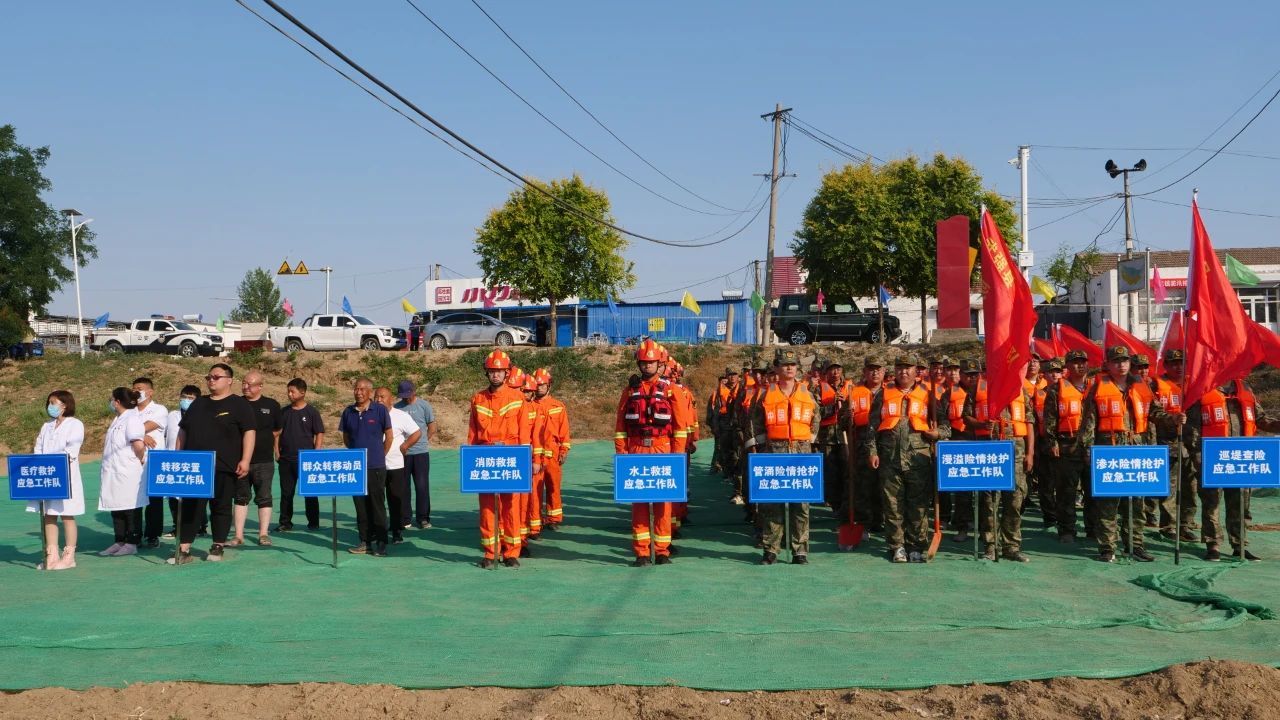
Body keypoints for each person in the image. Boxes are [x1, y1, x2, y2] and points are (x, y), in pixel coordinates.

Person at [1072, 346, 1156, 563]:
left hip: (1136, 451)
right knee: (1108, 504)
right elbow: (1088, 423)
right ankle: (1107, 548)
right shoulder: (1098, 387)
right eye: (1116, 361)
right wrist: (1088, 449)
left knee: (1136, 503)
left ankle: (1135, 545)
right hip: (1108, 451)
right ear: (1108, 364)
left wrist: (1174, 418)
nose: (1121, 365)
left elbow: (1155, 412)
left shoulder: (1141, 385)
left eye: (1125, 361)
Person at [1183, 377, 1280, 561]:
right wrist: (1198, 454)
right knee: (1211, 504)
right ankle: (1213, 545)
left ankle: (1239, 545)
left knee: (1240, 504)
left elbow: (1260, 419)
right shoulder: (1203, 389)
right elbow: (1192, 428)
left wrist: (1277, 424)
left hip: (1241, 459)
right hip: (1213, 458)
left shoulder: (1244, 388)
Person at [865, 355, 944, 563]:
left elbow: (944, 425)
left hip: (919, 459)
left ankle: (916, 545)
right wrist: (872, 451)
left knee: (918, 505)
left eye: (908, 368)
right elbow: (872, 426)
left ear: (916, 370)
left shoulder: (927, 394)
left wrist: (938, 433)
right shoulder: (883, 394)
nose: (904, 372)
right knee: (892, 505)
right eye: (900, 368)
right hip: (889, 458)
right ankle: (897, 546)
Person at [615, 339, 688, 566]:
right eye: (644, 363)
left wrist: (677, 456)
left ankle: (662, 551)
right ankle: (642, 552)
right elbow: (620, 427)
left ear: (660, 363)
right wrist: (622, 454)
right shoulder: (630, 390)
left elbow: (680, 427)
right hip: (636, 449)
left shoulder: (671, 390)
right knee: (639, 504)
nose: (647, 366)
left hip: (662, 448)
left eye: (651, 362)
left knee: (663, 504)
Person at [175, 363, 257, 564]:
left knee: (221, 506)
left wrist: (245, 460)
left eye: (216, 377)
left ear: (229, 380)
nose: (211, 380)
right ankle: (184, 548)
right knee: (191, 507)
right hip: (196, 467)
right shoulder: (198, 403)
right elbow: (183, 430)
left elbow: (249, 432)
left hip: (224, 465)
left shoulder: (239, 405)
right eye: (209, 377)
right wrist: (178, 456)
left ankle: (218, 544)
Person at [748, 348, 820, 564]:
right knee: (773, 505)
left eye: (793, 365)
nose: (789, 368)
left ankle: (800, 550)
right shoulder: (765, 394)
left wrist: (808, 439)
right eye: (784, 364)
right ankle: (771, 549)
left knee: (801, 506)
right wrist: (761, 448)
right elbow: (755, 423)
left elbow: (816, 417)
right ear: (777, 368)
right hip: (774, 454)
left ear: (797, 368)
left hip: (801, 454)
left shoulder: (807, 393)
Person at [468, 350, 535, 568]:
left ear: (507, 373)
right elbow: (472, 434)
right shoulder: (478, 399)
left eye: (500, 371)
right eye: (492, 371)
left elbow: (524, 433)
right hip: (486, 458)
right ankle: (491, 552)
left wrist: (526, 461)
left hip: (511, 457)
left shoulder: (517, 398)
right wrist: (471, 462)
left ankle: (511, 552)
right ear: (486, 372)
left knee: (511, 507)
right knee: (487, 507)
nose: (495, 375)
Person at [962, 362, 1035, 562]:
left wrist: (1030, 453)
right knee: (989, 501)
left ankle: (1011, 546)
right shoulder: (977, 388)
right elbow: (966, 417)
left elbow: (1029, 423)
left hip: (1016, 451)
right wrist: (981, 424)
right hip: (989, 450)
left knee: (1015, 500)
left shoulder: (1020, 388)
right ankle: (990, 545)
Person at [1043, 350, 1096, 545]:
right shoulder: (1056, 389)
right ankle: (1067, 530)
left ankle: (1093, 529)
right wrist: (1052, 442)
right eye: (1075, 362)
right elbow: (1050, 418)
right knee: (1066, 491)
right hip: (1067, 445)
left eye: (1083, 362)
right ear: (1067, 366)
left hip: (1093, 446)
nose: (1080, 365)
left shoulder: (1096, 387)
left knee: (1094, 491)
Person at [29, 390, 85, 570]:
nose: (50, 406)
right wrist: (41, 465)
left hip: (65, 474)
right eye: (49, 403)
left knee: (67, 514)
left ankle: (69, 556)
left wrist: (54, 464)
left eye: (53, 403)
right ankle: (51, 555)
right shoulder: (47, 426)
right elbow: (38, 447)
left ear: (65, 405)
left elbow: (72, 449)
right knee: (49, 514)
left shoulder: (75, 424)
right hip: (47, 476)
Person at [340, 377, 393, 557]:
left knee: (377, 506)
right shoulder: (348, 412)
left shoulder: (379, 410)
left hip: (376, 466)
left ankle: (381, 542)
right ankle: (365, 541)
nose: (358, 392)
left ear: (370, 391)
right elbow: (346, 438)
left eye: (362, 389)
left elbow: (389, 436)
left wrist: (379, 455)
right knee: (360, 507)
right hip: (356, 468)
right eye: (356, 388)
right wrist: (357, 456)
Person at [229, 370, 280, 547]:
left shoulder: (271, 405)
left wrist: (267, 442)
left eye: (250, 384)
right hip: (240, 460)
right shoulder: (236, 403)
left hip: (264, 460)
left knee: (264, 496)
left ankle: (263, 534)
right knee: (240, 497)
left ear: (260, 386)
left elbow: (277, 429)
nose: (245, 387)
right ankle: (238, 535)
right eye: (243, 383)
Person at [1152, 349, 1196, 542]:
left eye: (1181, 363)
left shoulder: (1194, 384)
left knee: (1190, 488)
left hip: (1192, 444)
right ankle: (1168, 526)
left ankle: (1186, 525)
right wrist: (1172, 419)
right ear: (1166, 366)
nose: (1178, 367)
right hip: (1167, 443)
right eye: (1174, 363)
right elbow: (1152, 413)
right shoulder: (1155, 385)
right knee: (1169, 488)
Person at [99, 387, 148, 558]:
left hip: (128, 470)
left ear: (117, 402)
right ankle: (119, 540)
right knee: (116, 506)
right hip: (114, 470)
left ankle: (132, 542)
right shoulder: (118, 419)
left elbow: (138, 445)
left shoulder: (132, 418)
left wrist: (140, 459)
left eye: (112, 399)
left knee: (130, 507)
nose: (110, 402)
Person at [375, 386, 422, 545]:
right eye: (376, 397)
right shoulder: (370, 415)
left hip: (395, 465)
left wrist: (405, 445)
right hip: (375, 465)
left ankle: (396, 531)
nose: (378, 400)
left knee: (395, 499)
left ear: (391, 399)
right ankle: (378, 531)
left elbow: (417, 432)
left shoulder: (401, 416)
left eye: (382, 397)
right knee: (377, 500)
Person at [275, 378, 324, 531]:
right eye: (288, 391)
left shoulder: (312, 412)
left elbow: (319, 433)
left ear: (302, 392)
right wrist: (277, 451)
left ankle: (313, 522)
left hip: (306, 460)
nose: (289, 394)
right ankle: (285, 523)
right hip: (286, 459)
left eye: (292, 392)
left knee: (310, 493)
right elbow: (277, 434)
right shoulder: (284, 412)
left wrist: (316, 452)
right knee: (286, 493)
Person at [132, 377, 169, 548]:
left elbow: (147, 426)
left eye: (139, 388)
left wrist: (138, 433)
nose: (135, 392)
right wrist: (142, 435)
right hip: (133, 461)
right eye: (134, 389)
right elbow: (125, 429)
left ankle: (153, 535)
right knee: (134, 500)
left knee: (154, 500)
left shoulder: (159, 409)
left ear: (150, 392)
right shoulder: (130, 411)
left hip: (153, 461)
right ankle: (134, 535)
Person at [395, 380, 437, 530]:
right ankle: (405, 518)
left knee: (422, 486)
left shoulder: (424, 405)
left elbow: (432, 426)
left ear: (414, 391)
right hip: (403, 453)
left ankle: (423, 518)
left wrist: (423, 441)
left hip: (420, 453)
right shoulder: (397, 408)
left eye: (408, 394)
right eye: (403, 396)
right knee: (403, 487)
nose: (406, 398)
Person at [164, 385, 206, 537]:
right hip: (172, 461)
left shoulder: (202, 416)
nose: (186, 400)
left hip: (192, 461)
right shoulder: (172, 415)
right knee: (173, 496)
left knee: (194, 496)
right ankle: (177, 527)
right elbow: (165, 435)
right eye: (184, 397)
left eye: (190, 398)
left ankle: (200, 526)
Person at [533, 368, 570, 531]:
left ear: (549, 386)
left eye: (543, 385)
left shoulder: (558, 406)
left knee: (553, 487)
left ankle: (553, 518)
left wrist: (564, 450)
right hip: (535, 455)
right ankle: (535, 520)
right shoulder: (529, 406)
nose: (540, 388)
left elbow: (564, 431)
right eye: (537, 385)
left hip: (553, 454)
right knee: (535, 490)